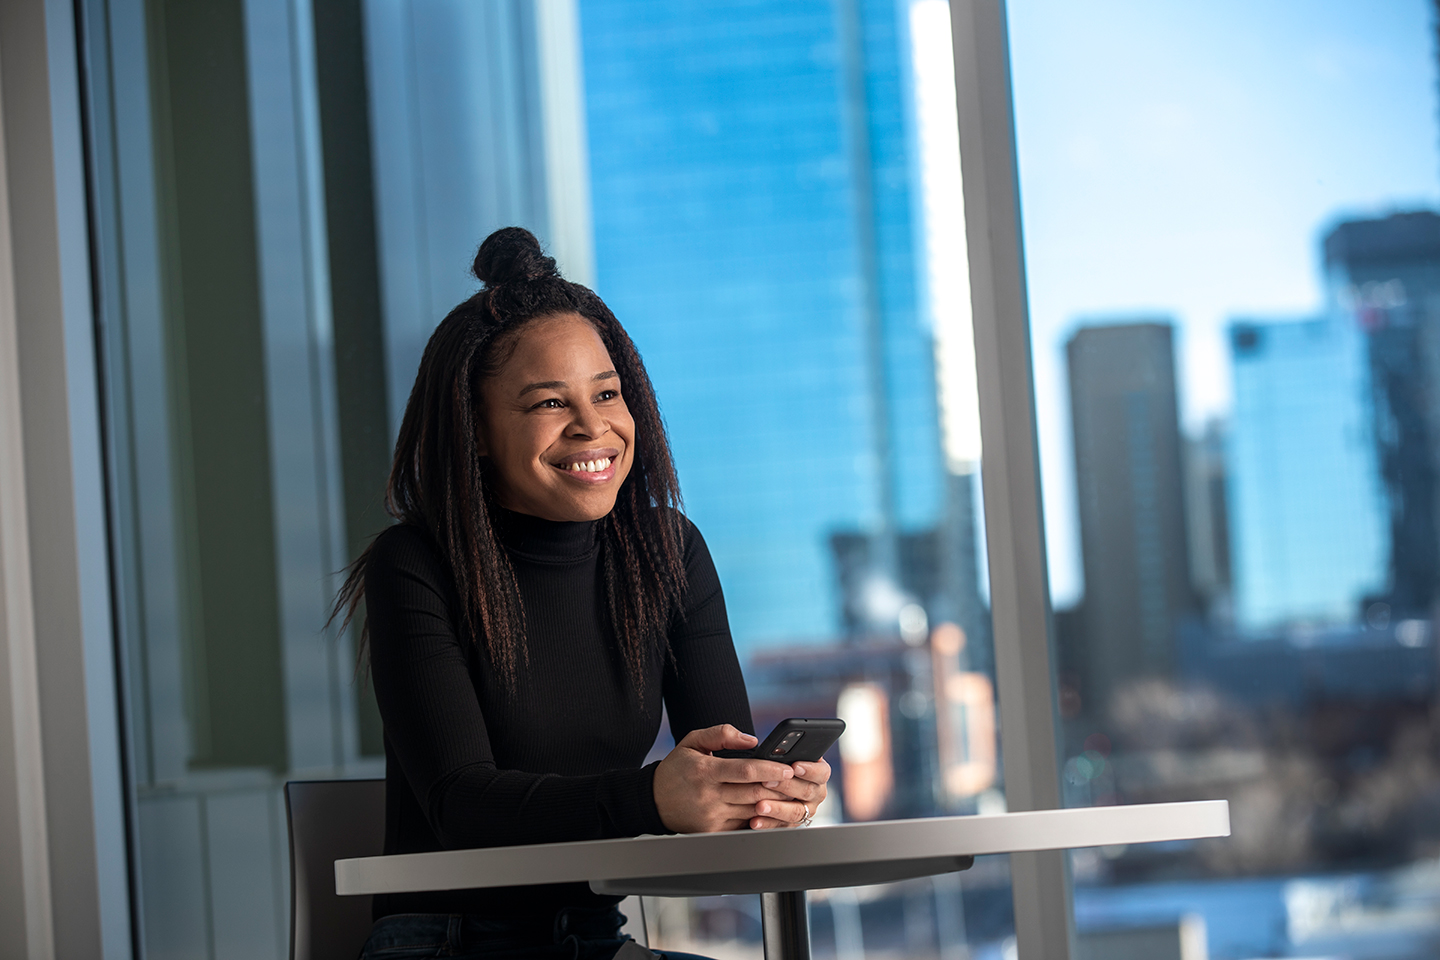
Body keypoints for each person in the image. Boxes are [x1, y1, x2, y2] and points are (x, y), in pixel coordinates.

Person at [334, 227, 831, 960]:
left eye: (607, 393)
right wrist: (652, 798)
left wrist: (760, 792)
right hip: (445, 944)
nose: (593, 425)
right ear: (473, 430)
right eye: (547, 404)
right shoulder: (415, 564)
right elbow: (461, 805)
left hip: (595, 940)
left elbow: (716, 760)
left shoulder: (668, 552)